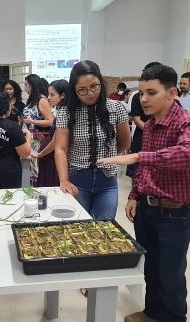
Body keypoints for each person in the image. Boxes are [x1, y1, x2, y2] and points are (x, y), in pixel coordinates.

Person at [98, 64, 190, 322]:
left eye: (151, 93)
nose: (143, 99)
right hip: (148, 207)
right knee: (152, 268)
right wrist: (135, 194)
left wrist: (136, 155)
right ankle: (153, 313)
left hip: (174, 212)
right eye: (142, 93)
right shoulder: (151, 124)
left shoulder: (187, 123)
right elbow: (146, 167)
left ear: (171, 93)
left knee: (170, 272)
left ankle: (173, 317)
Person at [54, 60, 130, 219]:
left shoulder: (116, 107)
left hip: (107, 181)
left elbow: (124, 143)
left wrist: (110, 159)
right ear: (74, 91)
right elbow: (61, 148)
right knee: (77, 227)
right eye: (82, 90)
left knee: (105, 228)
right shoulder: (66, 112)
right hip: (77, 180)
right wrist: (64, 180)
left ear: (101, 83)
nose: (90, 93)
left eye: (94, 86)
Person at [33, 79, 69, 187]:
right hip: (48, 155)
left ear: (62, 95)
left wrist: (40, 154)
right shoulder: (60, 110)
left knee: (51, 185)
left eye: (52, 94)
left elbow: (55, 142)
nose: (48, 97)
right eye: (48, 94)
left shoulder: (64, 113)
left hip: (52, 156)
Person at [22, 74, 54, 186]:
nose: (24, 87)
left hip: (39, 140)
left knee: (37, 170)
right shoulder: (32, 99)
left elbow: (50, 121)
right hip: (30, 139)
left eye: (26, 84)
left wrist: (32, 122)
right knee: (32, 171)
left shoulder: (42, 99)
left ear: (32, 85)